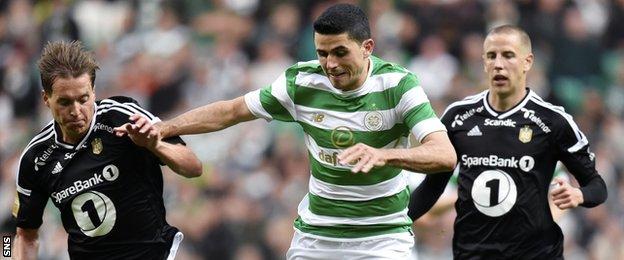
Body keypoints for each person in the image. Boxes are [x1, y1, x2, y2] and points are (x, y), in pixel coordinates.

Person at [118, 3, 456, 259]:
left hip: (383, 238)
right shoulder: (301, 82)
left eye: (340, 52)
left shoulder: (398, 85)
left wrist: (384, 155)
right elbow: (232, 111)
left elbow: (443, 154)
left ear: (367, 47)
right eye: (323, 53)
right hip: (316, 237)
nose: (331, 64)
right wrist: (165, 126)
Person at [408, 25, 607, 259]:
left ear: (527, 62)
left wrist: (579, 195)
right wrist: (393, 221)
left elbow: (597, 186)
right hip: (472, 253)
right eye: (492, 56)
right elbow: (433, 187)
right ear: (484, 62)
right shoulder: (458, 117)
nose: (498, 64)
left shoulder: (553, 121)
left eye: (508, 55)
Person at [13, 41, 202, 259]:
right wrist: (8, 254)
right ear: (46, 98)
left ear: (93, 92)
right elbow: (22, 235)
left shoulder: (124, 116)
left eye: (83, 99)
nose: (76, 111)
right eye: (64, 102)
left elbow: (193, 167)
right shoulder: (35, 157)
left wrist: (155, 144)